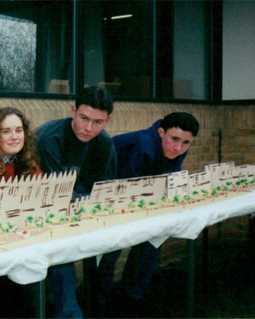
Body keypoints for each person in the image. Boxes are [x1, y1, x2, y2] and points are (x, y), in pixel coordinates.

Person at [95, 111, 200, 316]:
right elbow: (130, 188)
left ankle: (133, 295)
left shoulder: (178, 149)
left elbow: (169, 182)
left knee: (152, 239)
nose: (178, 148)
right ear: (161, 132)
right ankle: (98, 300)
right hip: (107, 190)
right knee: (112, 246)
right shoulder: (143, 144)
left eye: (186, 143)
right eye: (174, 139)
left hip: (140, 197)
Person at [35, 86, 117, 318]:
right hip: (46, 205)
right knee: (63, 250)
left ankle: (98, 301)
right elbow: (53, 193)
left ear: (107, 120)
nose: (88, 128)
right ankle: (69, 312)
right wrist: (86, 200)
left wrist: (91, 202)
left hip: (83, 203)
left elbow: (105, 189)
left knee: (114, 241)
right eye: (84, 118)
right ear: (73, 111)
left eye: (97, 122)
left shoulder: (103, 143)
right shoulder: (49, 138)